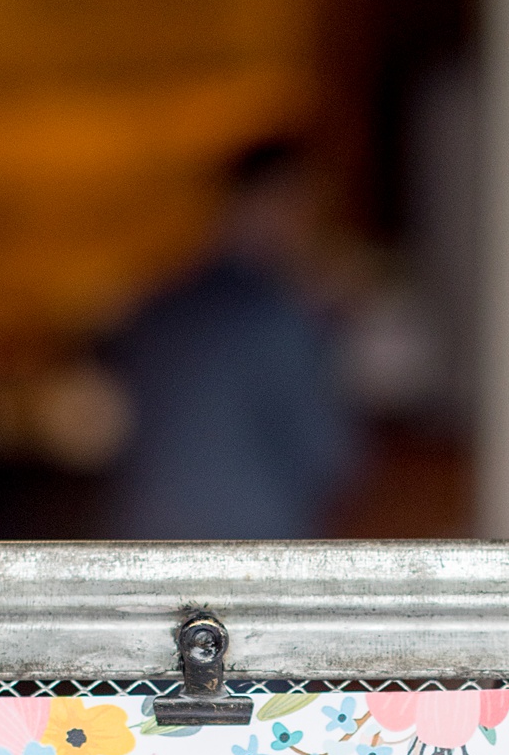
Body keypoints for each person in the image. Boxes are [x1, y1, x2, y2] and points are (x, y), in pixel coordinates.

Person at [108, 136, 357, 539]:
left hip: (147, 541)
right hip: (254, 551)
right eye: (304, 208)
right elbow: (331, 456)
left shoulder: (156, 307)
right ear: (277, 203)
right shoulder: (281, 314)